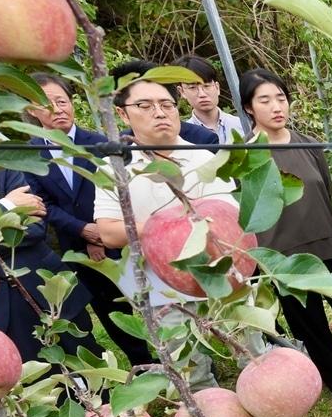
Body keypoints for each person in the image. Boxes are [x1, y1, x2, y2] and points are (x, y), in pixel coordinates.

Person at [239, 68, 332, 399]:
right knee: (309, 320)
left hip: (327, 239)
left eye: (281, 98)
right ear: (249, 108)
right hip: (282, 251)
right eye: (265, 100)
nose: (277, 107)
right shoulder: (245, 154)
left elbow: (324, 189)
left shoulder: (307, 143)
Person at [91, 65, 237, 389]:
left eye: (167, 104)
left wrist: (153, 228)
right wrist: (174, 226)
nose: (159, 113)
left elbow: (228, 216)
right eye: (145, 106)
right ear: (122, 114)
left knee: (249, 344)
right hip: (161, 288)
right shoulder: (115, 168)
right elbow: (110, 232)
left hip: (220, 273)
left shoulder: (203, 158)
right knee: (189, 367)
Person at [26, 72, 154, 367]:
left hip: (120, 239)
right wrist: (84, 231)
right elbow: (42, 203)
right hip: (77, 247)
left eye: (62, 101)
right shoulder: (30, 153)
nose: (58, 109)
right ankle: (143, 363)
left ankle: (178, 356)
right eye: (47, 104)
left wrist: (102, 230)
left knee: (149, 299)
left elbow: (121, 189)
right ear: (32, 110)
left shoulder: (99, 144)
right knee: (109, 310)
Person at [0, 162, 95, 361]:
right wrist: (7, 207)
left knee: (86, 360)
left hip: (44, 285)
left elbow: (35, 226)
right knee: (32, 376)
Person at [174, 55, 245, 144]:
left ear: (217, 87)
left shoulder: (243, 126)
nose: (202, 94)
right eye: (192, 87)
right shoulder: (181, 136)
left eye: (206, 86)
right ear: (182, 92)